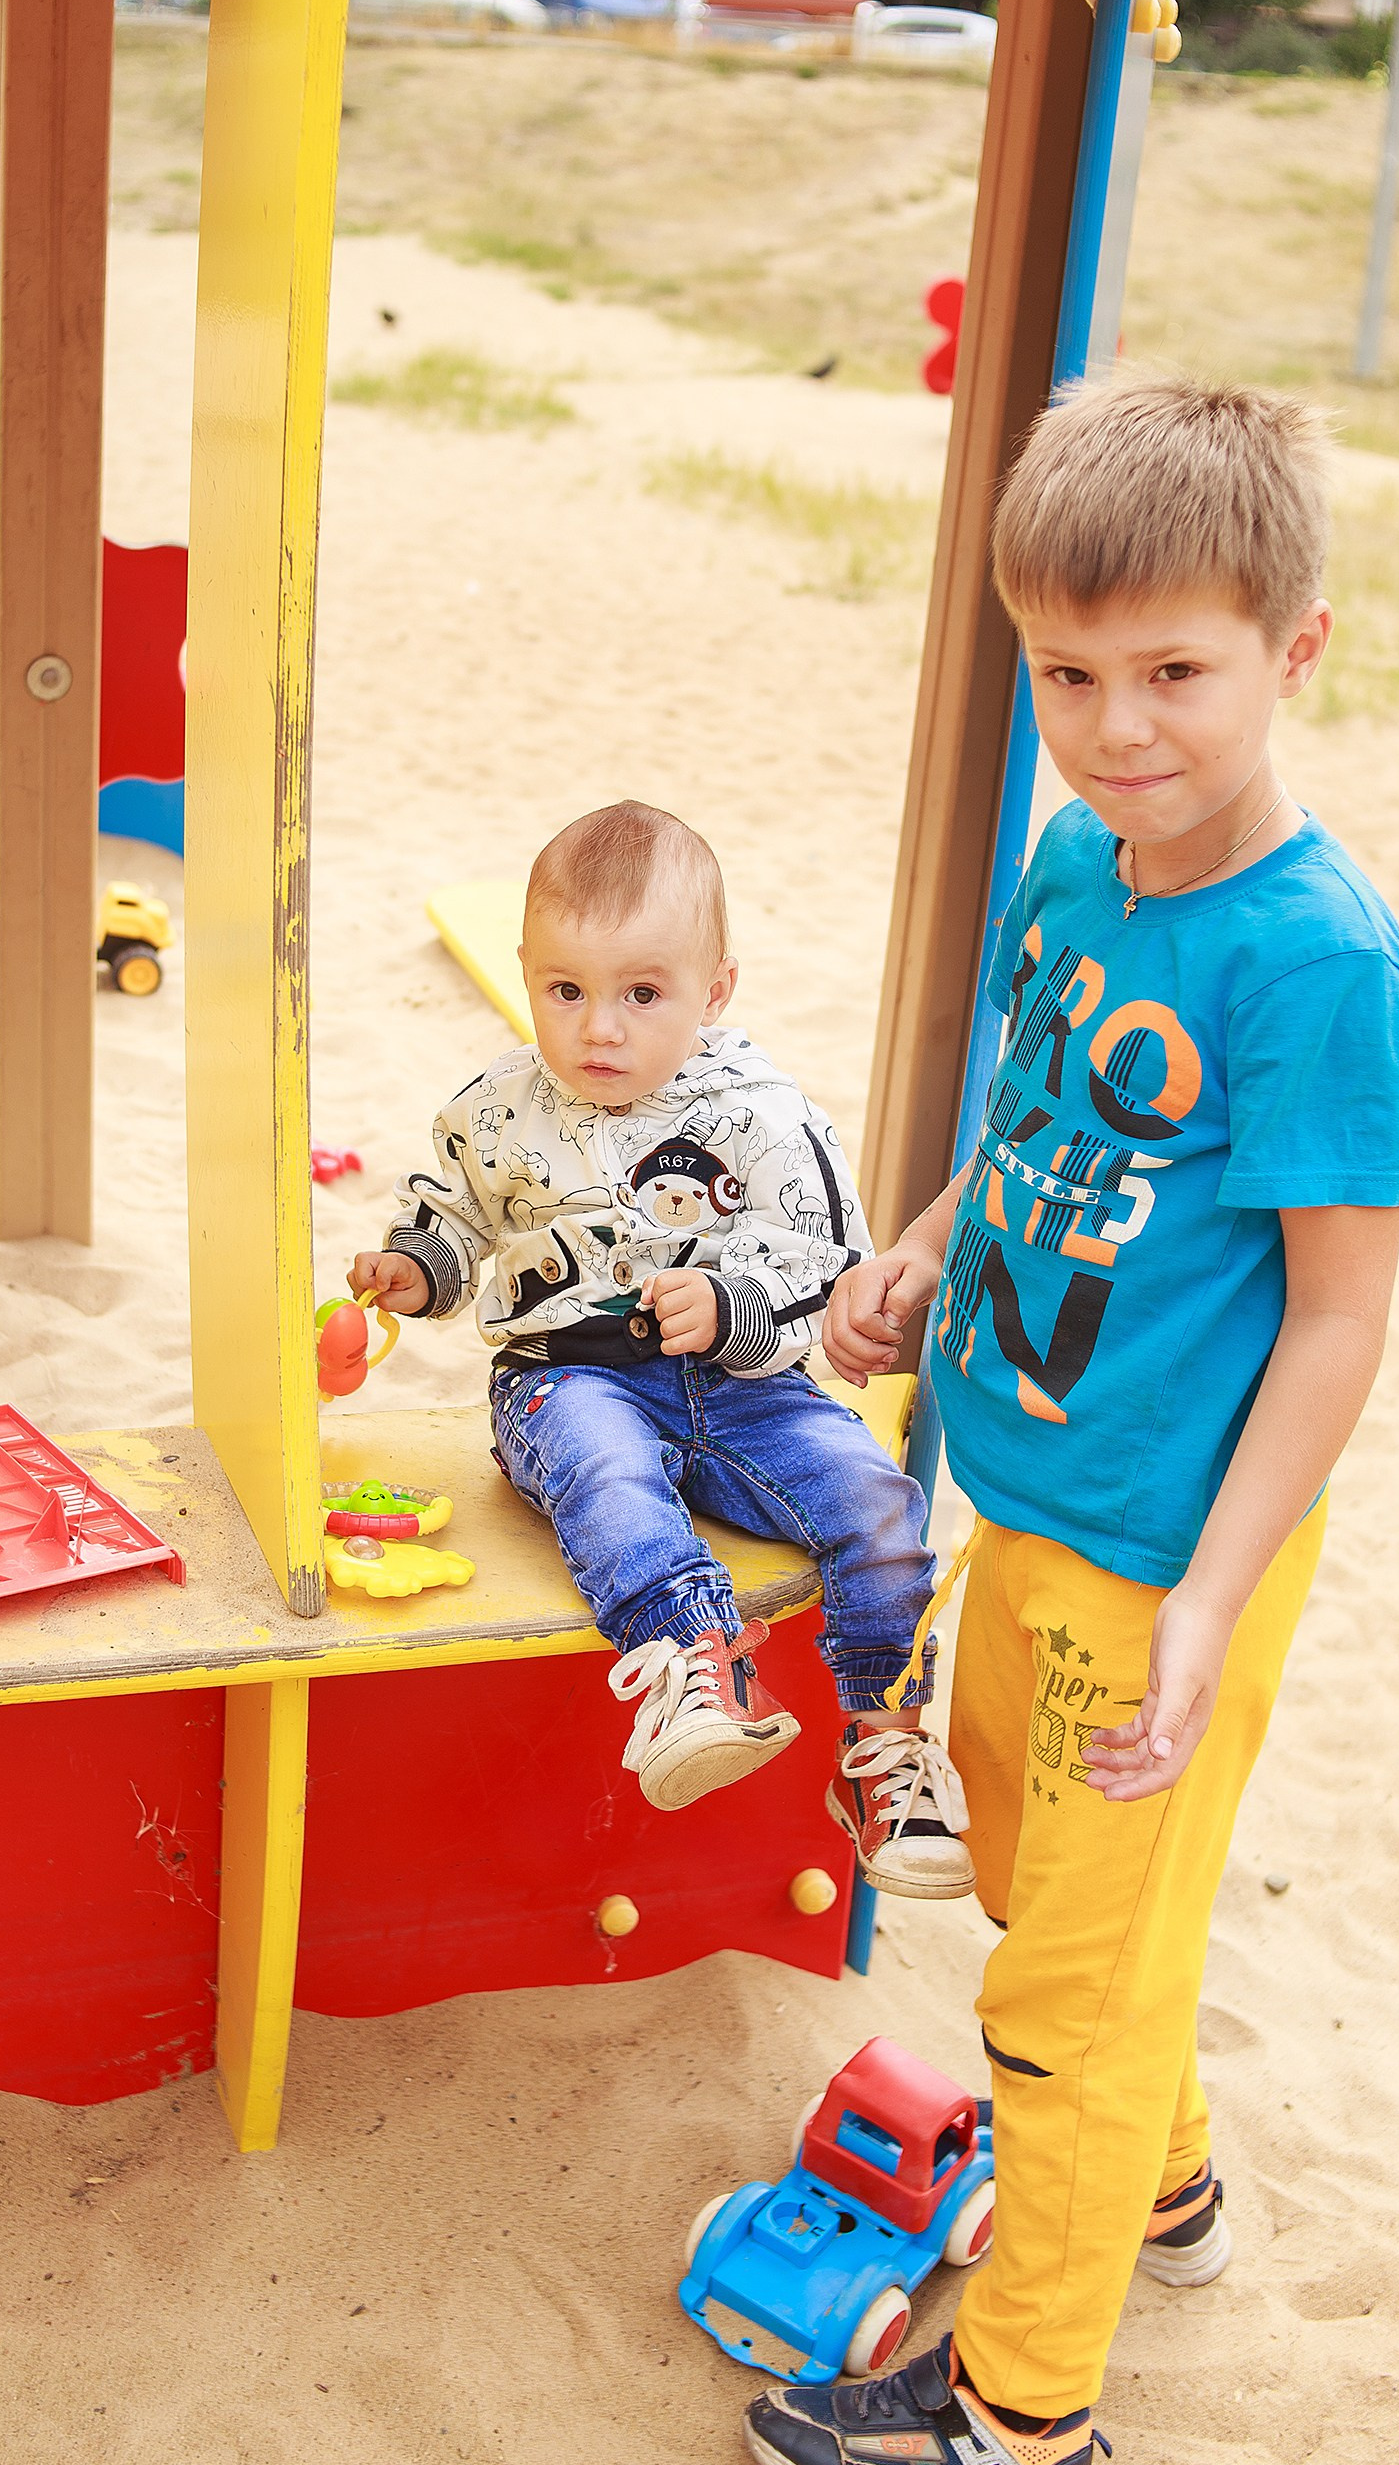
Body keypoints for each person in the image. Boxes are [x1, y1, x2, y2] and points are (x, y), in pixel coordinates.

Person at [739, 375, 1399, 2465]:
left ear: (1292, 652)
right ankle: (1168, 2178)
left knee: (1052, 1997)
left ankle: (1025, 2429)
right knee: (1060, 1911)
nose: (1118, 727)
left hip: (1167, 1559)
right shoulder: (1073, 864)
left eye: (1175, 676)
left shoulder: (1321, 966)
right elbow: (1033, 1133)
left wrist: (1211, 1617)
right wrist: (919, 1259)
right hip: (1023, 1503)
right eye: (1068, 674)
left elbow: (1333, 1319)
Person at [350, 799, 971, 1899]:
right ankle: (696, 1668)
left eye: (641, 994)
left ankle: (883, 1748)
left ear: (713, 991)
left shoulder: (766, 1117)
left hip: (744, 1392)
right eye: (566, 991)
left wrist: (734, 1307)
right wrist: (417, 1268)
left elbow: (835, 1264)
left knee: (875, 1502)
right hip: (567, 1377)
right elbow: (457, 1213)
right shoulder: (501, 1109)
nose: (598, 1029)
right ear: (529, 972)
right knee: (606, 1471)